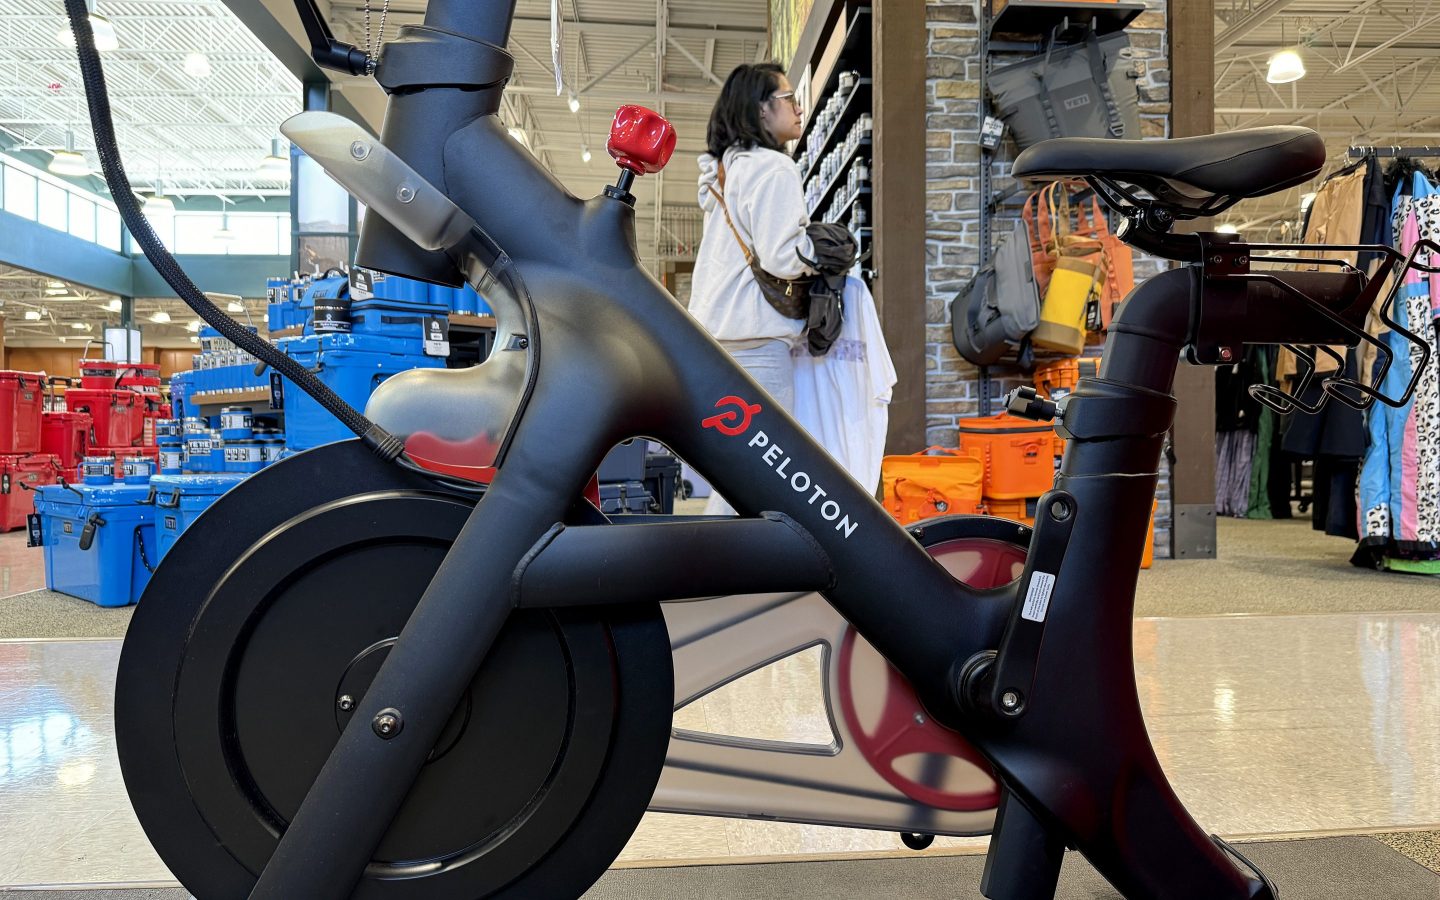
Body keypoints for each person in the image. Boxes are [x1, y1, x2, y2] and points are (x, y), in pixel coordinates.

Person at [691, 63, 815, 514]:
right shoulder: (774, 168)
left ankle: (714, 551)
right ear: (762, 109)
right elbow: (783, 258)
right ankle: (724, 553)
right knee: (766, 469)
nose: (799, 108)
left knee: (736, 471)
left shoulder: (726, 169)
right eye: (789, 99)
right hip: (757, 340)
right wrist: (820, 249)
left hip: (713, 336)